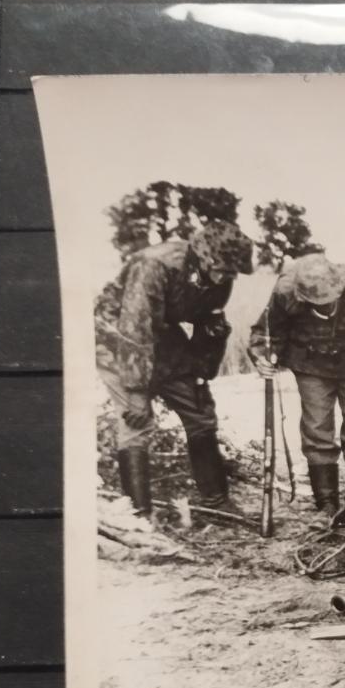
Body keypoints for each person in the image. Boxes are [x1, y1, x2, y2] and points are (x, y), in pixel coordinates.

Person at [95, 220, 255, 516]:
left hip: (162, 333)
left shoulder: (222, 278)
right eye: (218, 268)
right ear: (202, 256)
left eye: (229, 272)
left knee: (200, 412)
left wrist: (200, 373)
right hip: (115, 334)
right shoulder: (154, 265)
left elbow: (210, 326)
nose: (222, 278)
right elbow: (135, 328)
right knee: (136, 419)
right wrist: (137, 391)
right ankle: (138, 516)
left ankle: (217, 502)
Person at [249, 253, 345, 527]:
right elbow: (268, 332)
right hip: (311, 365)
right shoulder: (285, 292)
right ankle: (326, 504)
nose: (326, 307)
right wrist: (263, 356)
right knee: (316, 428)